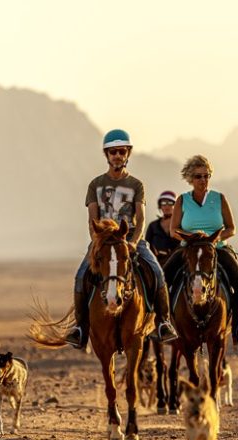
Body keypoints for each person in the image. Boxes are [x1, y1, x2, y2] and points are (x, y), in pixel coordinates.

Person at [65, 129, 178, 349]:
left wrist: (134, 242)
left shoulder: (137, 185)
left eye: (121, 151)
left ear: (128, 154)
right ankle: (80, 328)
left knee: (157, 272)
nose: (117, 155)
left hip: (130, 240)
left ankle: (163, 322)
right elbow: (92, 220)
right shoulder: (95, 185)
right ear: (106, 155)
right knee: (81, 277)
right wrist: (97, 242)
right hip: (103, 242)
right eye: (113, 151)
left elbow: (142, 218)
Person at [164, 154, 238, 345]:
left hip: (217, 248)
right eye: (198, 176)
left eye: (206, 176)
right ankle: (163, 324)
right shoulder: (182, 200)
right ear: (190, 178)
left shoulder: (219, 199)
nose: (203, 180)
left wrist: (214, 239)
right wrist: (191, 238)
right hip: (188, 249)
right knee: (162, 279)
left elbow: (231, 228)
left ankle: (237, 327)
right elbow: (173, 230)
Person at [144, 190, 181, 265]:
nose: (167, 206)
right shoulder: (153, 225)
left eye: (170, 203)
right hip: (156, 262)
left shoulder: (182, 225)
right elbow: (147, 245)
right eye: (163, 203)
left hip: (178, 263)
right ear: (160, 206)